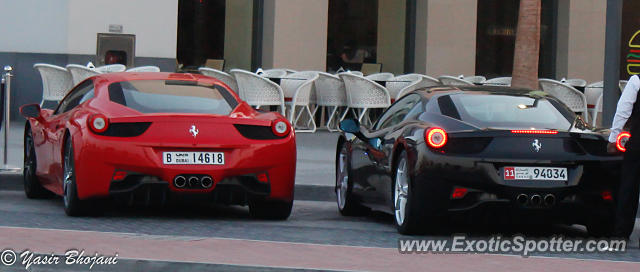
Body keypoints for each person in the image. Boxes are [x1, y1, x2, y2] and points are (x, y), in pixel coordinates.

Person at [608, 74, 640, 238]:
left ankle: (621, 233)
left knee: (629, 189)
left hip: (637, 143)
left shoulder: (636, 80)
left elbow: (623, 110)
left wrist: (613, 139)